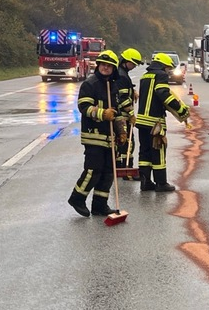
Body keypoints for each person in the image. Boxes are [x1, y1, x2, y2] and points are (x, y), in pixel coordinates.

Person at [68, 50, 123, 217]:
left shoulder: (113, 86)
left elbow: (118, 113)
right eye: (103, 65)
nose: (105, 68)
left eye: (109, 66)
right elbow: (83, 107)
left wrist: (122, 131)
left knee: (108, 172)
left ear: (114, 68)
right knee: (93, 170)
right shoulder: (90, 84)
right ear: (98, 65)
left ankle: (99, 205)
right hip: (94, 136)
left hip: (110, 137)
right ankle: (77, 198)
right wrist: (102, 114)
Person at [135, 52, 191, 192]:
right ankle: (161, 183)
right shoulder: (161, 75)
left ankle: (145, 182)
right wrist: (180, 110)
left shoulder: (145, 76)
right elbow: (163, 94)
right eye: (168, 68)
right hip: (155, 122)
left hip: (142, 120)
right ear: (163, 66)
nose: (168, 71)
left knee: (145, 152)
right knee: (158, 151)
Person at [114, 48, 144, 176]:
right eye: (133, 64)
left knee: (121, 142)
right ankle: (127, 171)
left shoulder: (121, 73)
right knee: (128, 143)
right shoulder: (121, 75)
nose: (134, 67)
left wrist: (133, 91)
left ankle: (119, 167)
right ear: (125, 61)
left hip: (120, 115)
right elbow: (122, 97)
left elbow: (125, 90)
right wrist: (131, 114)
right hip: (122, 116)